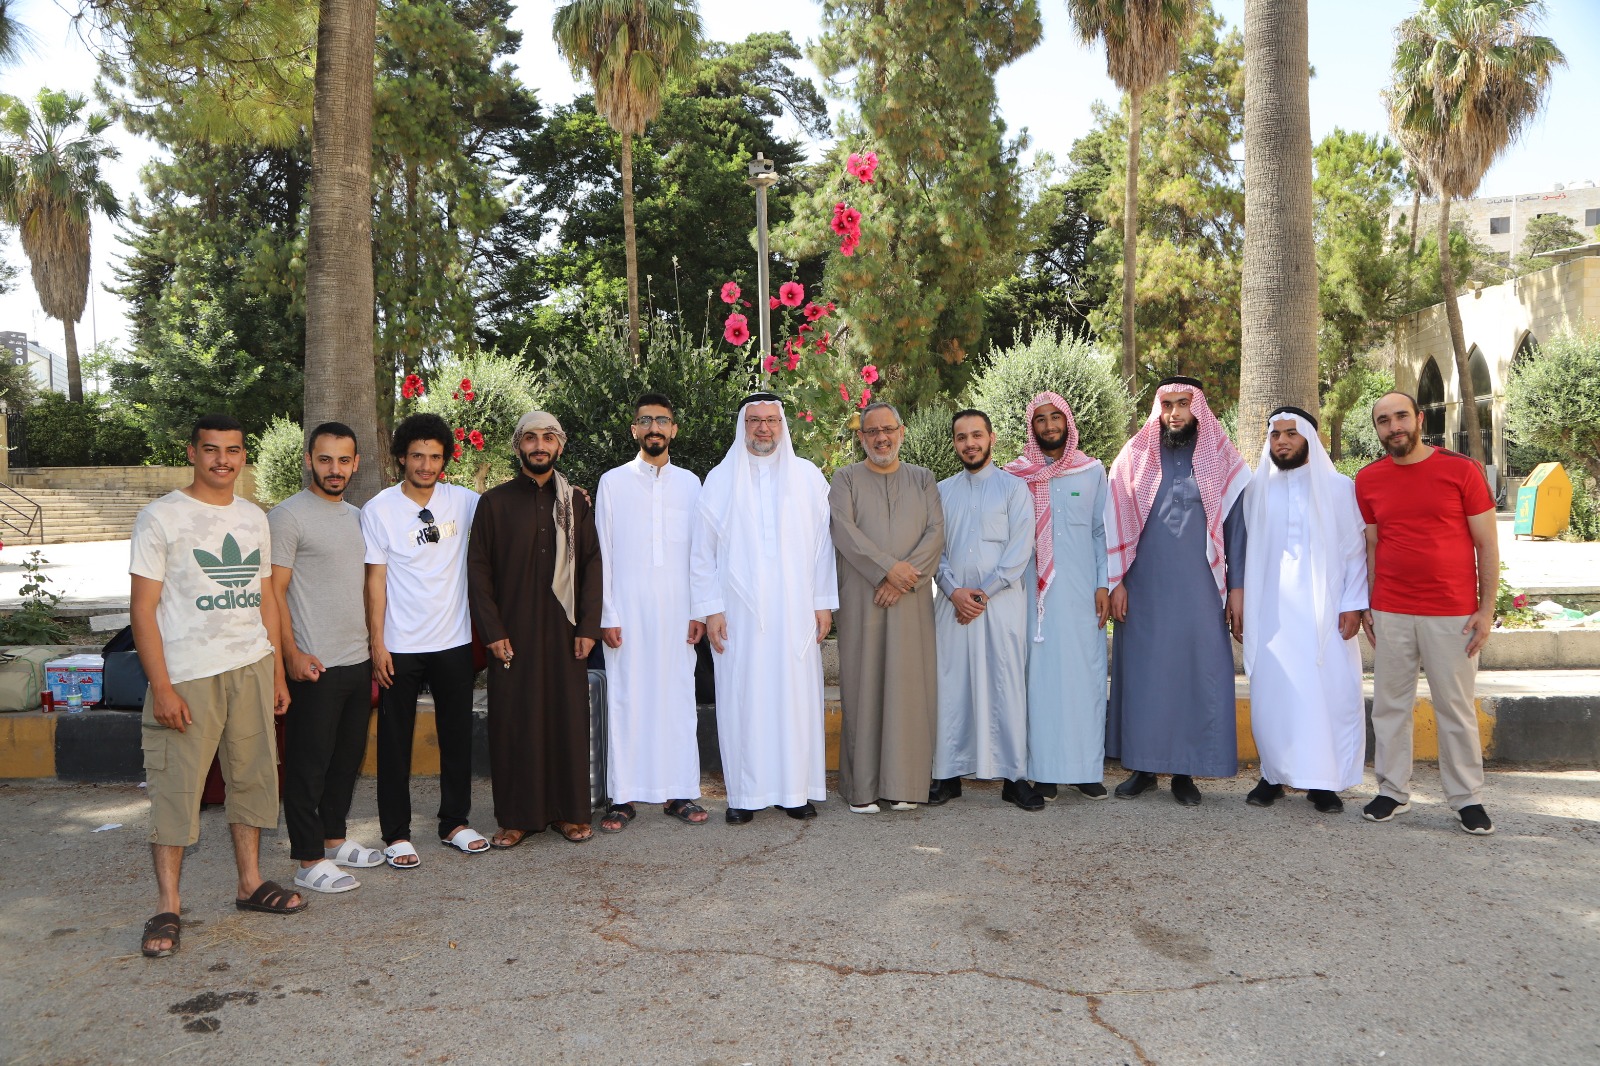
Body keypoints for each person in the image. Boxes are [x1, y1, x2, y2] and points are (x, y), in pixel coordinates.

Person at [131, 414, 301, 959]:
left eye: (232, 450)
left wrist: (275, 672)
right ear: (192, 453)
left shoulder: (254, 517)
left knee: (252, 778)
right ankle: (168, 905)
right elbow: (143, 609)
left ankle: (250, 883)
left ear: (244, 456)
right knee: (176, 788)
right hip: (187, 674)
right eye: (211, 449)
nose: (222, 460)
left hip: (250, 666)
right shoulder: (161, 517)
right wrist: (161, 687)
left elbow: (266, 598)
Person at [690, 393, 838, 824]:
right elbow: (702, 554)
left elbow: (822, 547)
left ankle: (794, 791)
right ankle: (744, 794)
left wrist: (822, 604)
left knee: (794, 698)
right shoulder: (720, 479)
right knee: (744, 699)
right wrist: (711, 609)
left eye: (771, 420)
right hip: (739, 613)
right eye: (754, 420)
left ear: (782, 425)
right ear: (743, 425)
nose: (763, 428)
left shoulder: (808, 477)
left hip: (795, 609)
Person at [1356, 391, 1499, 835]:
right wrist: (1368, 603)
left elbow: (1487, 545)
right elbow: (1372, 546)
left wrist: (1486, 610)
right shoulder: (1368, 479)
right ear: (1378, 429)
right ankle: (1392, 791)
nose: (1394, 426)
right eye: (1384, 420)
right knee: (1389, 706)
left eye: (1401, 416)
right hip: (1391, 611)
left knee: (1454, 708)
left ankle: (1467, 798)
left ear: (1419, 419)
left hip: (1452, 613)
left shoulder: (1461, 471)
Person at [1105, 376, 1249, 806]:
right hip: (1143, 590)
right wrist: (1116, 582)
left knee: (1195, 675)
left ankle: (1186, 772)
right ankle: (1144, 767)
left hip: (1201, 592)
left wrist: (1236, 590)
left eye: (1183, 403)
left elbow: (1236, 531)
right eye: (1167, 404)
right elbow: (1112, 524)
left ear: (1197, 407)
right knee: (1145, 677)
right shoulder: (1134, 457)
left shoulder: (1222, 458)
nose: (1174, 413)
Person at [468, 411, 604, 845]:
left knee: (566, 719)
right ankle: (517, 817)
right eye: (530, 438)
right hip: (513, 633)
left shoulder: (576, 502)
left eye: (548, 437)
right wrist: (493, 631)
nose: (539, 445)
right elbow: (478, 571)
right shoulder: (494, 503)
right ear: (518, 446)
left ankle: (570, 813)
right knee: (515, 721)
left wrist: (589, 627)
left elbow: (592, 565)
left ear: (559, 445)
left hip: (566, 633)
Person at [363, 413, 488, 867]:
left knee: (457, 737)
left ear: (445, 459)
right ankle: (396, 834)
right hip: (400, 645)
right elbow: (374, 582)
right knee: (395, 742)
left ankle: (454, 822)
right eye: (417, 456)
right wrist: (377, 644)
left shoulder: (463, 501)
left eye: (435, 457)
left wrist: (570, 495)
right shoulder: (379, 509)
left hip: (453, 640)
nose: (426, 465)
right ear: (402, 457)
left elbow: (507, 510)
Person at [269, 422, 384, 895]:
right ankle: (307, 858)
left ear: (355, 464)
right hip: (314, 665)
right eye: (324, 459)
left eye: (343, 460)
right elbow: (272, 593)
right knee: (308, 766)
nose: (334, 469)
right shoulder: (287, 517)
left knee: (345, 761)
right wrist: (290, 655)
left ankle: (334, 840)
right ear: (308, 460)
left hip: (357, 660)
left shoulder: (358, 517)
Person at [1240, 407, 1368, 814]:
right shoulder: (1257, 489)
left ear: (1310, 438)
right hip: (1271, 613)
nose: (1282, 441)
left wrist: (1352, 604)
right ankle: (1272, 775)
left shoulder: (1339, 488)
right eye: (1275, 434)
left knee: (1326, 694)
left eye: (1291, 433)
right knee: (1272, 695)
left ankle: (1323, 782)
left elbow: (1354, 552)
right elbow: (1245, 553)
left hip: (1323, 614)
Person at [595, 394, 709, 831]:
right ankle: (623, 797)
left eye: (662, 420)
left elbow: (701, 554)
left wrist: (700, 610)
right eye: (645, 421)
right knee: (626, 699)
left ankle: (678, 792)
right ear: (634, 430)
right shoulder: (613, 482)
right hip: (626, 610)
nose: (654, 428)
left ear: (674, 429)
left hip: (679, 611)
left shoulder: (692, 484)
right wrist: (607, 613)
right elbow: (603, 552)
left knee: (677, 699)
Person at [829, 402, 945, 814]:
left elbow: (936, 533)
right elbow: (844, 530)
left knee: (909, 688)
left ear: (901, 431)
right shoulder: (844, 479)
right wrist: (886, 571)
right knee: (863, 686)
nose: (881, 438)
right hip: (863, 596)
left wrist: (902, 578)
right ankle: (861, 788)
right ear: (861, 437)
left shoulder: (923, 478)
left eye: (888, 430)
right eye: (872, 431)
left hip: (910, 599)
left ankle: (904, 785)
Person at [929, 409, 1040, 811]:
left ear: (991, 438)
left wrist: (980, 595)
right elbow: (934, 550)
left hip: (1001, 605)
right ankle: (947, 774)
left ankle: (1013, 777)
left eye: (977, 435)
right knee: (951, 686)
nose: (970, 443)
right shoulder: (941, 491)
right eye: (962, 437)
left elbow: (1019, 551)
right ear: (954, 443)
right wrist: (953, 591)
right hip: (952, 606)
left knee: (1005, 685)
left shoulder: (1014, 489)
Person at [1002, 392, 1111, 802]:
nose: (1049, 426)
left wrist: (1103, 584)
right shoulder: (1015, 476)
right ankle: (1043, 772)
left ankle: (1084, 770)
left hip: (1083, 595)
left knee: (1085, 679)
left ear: (1068, 422)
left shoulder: (1092, 471)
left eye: (1056, 417)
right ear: (1032, 428)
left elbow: (1101, 532)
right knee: (1040, 683)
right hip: (1034, 597)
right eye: (1041, 419)